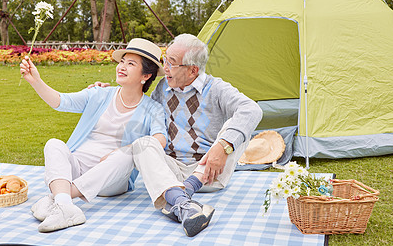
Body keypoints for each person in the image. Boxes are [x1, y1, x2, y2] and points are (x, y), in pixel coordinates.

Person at [20, 38, 211, 235]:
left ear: (145, 75)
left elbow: (159, 138)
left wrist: (122, 150)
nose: (122, 67)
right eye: (122, 61)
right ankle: (64, 206)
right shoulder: (99, 94)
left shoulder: (152, 108)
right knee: (54, 144)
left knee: (129, 154)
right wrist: (36, 80)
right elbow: (61, 101)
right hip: (77, 168)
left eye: (130, 64)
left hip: (113, 179)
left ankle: (58, 197)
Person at [90, 34, 263, 231]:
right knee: (143, 144)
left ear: (193, 70)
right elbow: (140, 108)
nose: (164, 68)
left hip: (210, 172)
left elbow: (253, 110)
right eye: (165, 60)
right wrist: (103, 94)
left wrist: (223, 147)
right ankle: (184, 204)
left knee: (239, 122)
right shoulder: (163, 88)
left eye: (171, 63)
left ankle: (179, 195)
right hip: (170, 173)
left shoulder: (217, 89)